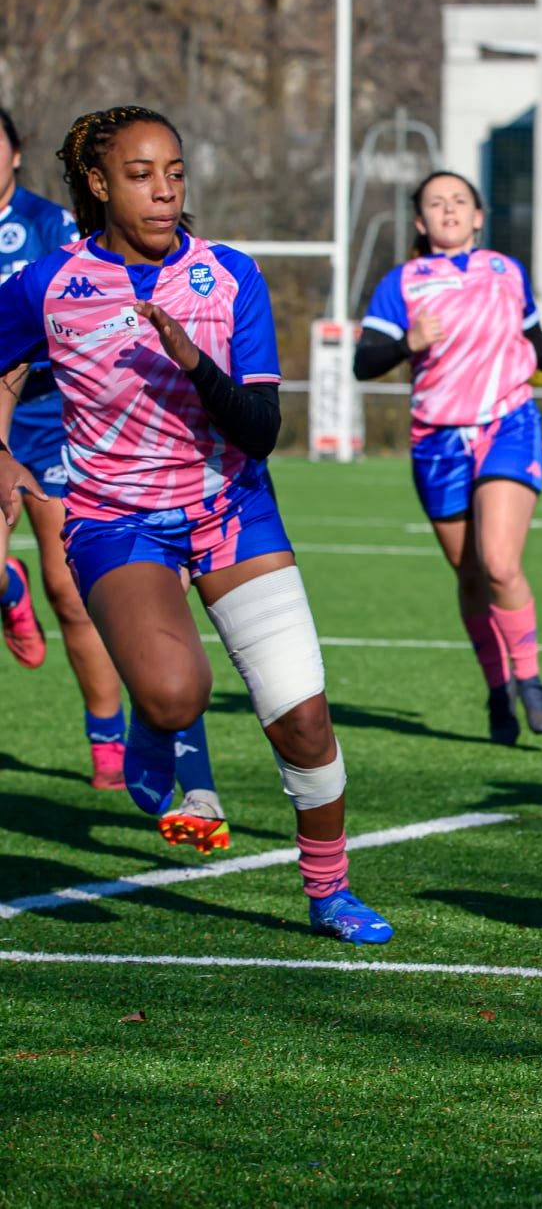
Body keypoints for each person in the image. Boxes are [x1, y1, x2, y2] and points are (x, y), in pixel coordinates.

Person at [0, 105, 392, 941]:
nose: (164, 192)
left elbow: (260, 429)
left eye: (175, 172)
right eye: (140, 176)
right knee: (179, 695)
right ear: (100, 186)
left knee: (304, 720)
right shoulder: (50, 285)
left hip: (233, 510)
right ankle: (158, 715)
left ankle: (329, 891)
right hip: (116, 521)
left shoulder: (229, 275)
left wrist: (193, 360)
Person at [0, 105, 229, 820]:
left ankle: (108, 735)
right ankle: (9, 589)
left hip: (60, 422)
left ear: (14, 154)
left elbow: (87, 304)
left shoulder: (48, 226)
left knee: (71, 594)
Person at [355, 171, 542, 746]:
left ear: (478, 216)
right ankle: (495, 688)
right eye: (436, 203)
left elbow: (530, 337)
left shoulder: (507, 271)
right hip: (436, 441)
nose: (449, 210)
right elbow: (364, 362)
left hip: (507, 423)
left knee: (501, 562)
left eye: (459, 201)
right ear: (420, 221)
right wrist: (409, 343)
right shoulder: (402, 282)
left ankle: (529, 680)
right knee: (472, 576)